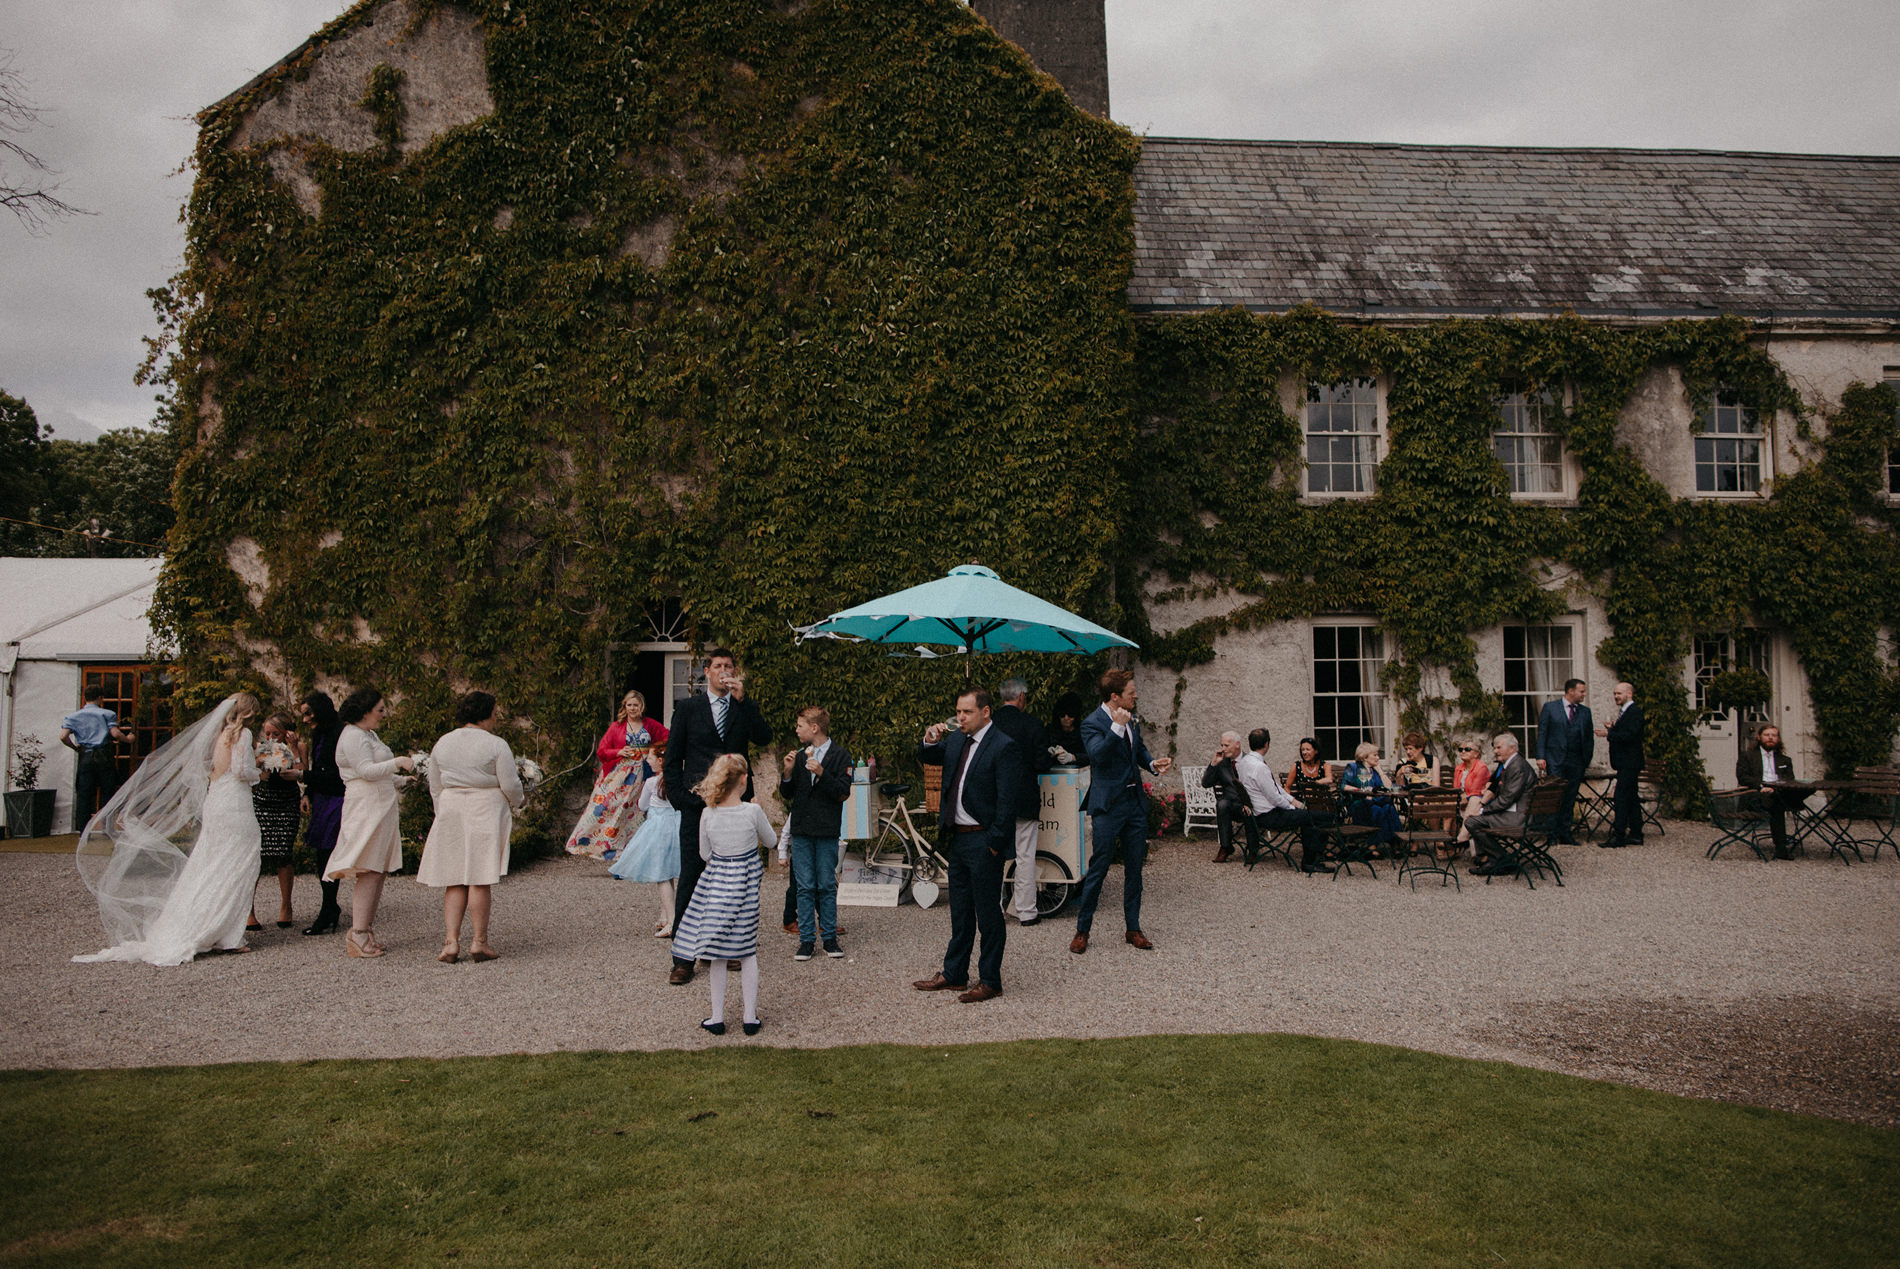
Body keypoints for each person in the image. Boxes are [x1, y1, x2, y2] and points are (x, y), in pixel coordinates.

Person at [74, 694, 264, 965]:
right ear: (249, 713)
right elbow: (241, 770)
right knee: (239, 861)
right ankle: (226, 935)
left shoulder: (221, 734)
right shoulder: (243, 734)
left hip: (216, 799)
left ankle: (214, 927)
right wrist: (261, 770)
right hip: (234, 802)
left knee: (212, 863)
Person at [661, 649, 770, 986]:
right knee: (692, 878)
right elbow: (673, 756)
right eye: (719, 666)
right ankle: (683, 958)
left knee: (731, 882)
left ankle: (721, 948)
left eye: (730, 667)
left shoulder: (741, 706)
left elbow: (764, 738)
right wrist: (680, 798)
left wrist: (744, 701)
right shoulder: (688, 708)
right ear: (706, 672)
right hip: (697, 805)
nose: (725, 671)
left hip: (735, 805)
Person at [913, 687, 1021, 1001]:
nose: (960, 717)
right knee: (959, 911)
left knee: (988, 914)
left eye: (967, 712)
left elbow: (1007, 801)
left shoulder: (1003, 746)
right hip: (957, 838)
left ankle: (990, 980)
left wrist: (994, 842)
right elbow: (929, 755)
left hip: (983, 840)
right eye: (958, 711)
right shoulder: (957, 739)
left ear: (985, 712)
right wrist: (930, 741)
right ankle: (955, 974)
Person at [671, 754, 775, 1036]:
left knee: (716, 953)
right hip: (745, 888)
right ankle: (749, 1017)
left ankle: (717, 1017)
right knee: (746, 951)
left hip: (717, 887)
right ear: (743, 780)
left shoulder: (708, 813)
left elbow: (705, 854)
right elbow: (771, 841)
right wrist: (759, 809)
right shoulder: (752, 812)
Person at [418, 691, 525, 963]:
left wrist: (441, 811)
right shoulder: (496, 744)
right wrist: (519, 802)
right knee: (479, 876)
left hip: (452, 806)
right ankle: (479, 941)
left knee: (454, 877)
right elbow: (510, 784)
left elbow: (435, 784)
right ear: (488, 714)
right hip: (484, 807)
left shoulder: (443, 742)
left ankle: (451, 942)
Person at [1071, 669, 1172, 955]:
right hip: (1108, 806)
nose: (1136, 695)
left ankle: (1133, 928)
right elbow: (1098, 757)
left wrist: (1153, 764)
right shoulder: (1092, 723)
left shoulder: (1132, 720)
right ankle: (1082, 930)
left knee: (1135, 869)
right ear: (1115, 697)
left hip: (1134, 804)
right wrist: (1115, 727)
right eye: (1131, 692)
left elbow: (1137, 750)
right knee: (1099, 867)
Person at [326, 687, 416, 959]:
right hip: (365, 806)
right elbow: (364, 771)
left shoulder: (369, 734)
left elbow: (378, 771)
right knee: (369, 868)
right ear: (365, 711)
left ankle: (365, 927)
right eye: (380, 709)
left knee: (379, 869)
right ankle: (358, 932)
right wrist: (398, 763)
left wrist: (402, 781)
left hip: (381, 804)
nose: (384, 714)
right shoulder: (352, 736)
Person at [778, 706, 852, 960]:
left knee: (827, 885)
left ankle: (830, 938)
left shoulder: (841, 755)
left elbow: (843, 791)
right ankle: (806, 940)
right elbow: (787, 795)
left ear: (814, 727)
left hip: (826, 829)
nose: (796, 730)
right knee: (804, 886)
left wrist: (822, 773)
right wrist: (787, 772)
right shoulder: (798, 757)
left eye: (800, 726)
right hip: (801, 830)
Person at [566, 689, 668, 860]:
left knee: (639, 812)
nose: (633, 708)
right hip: (621, 776)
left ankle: (637, 852)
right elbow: (602, 751)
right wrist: (619, 751)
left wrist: (655, 753)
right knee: (609, 809)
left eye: (636, 705)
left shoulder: (650, 724)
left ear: (641, 706)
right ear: (625, 706)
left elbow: (668, 737)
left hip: (644, 773)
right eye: (629, 705)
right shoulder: (617, 727)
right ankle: (606, 848)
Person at [991, 678, 1054, 924]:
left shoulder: (989, 723)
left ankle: (993, 909)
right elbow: (1042, 764)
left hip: (994, 797)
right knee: (1025, 856)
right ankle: (1026, 911)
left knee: (993, 855)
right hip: (1024, 796)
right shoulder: (1033, 724)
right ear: (1021, 697)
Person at [1237, 728, 1327, 872]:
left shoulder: (1244, 762)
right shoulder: (1259, 767)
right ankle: (1311, 862)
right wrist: (1292, 807)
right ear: (1267, 744)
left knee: (1315, 815)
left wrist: (1293, 800)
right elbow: (1274, 797)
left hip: (1258, 813)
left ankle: (1318, 855)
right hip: (1268, 816)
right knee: (1315, 817)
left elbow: (1275, 787)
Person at [249, 710, 305, 930]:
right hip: (263, 800)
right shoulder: (260, 748)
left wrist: (292, 749)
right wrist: (260, 766)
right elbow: (254, 773)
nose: (270, 738)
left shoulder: (299, 747)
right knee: (257, 856)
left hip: (287, 801)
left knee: (284, 854)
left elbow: (302, 772)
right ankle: (249, 910)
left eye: (276, 733)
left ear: (287, 733)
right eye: (267, 733)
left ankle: (286, 906)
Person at [298, 691, 347, 936]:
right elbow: (318, 767)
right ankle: (329, 906)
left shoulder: (341, 733)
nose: (305, 719)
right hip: (321, 798)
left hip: (338, 799)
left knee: (329, 853)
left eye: (308, 713)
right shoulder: (319, 733)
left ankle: (328, 909)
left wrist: (302, 776)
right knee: (322, 855)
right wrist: (307, 792)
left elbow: (338, 774)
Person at [610, 772, 681, 935]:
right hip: (677, 825)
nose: (649, 760)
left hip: (658, 829)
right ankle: (665, 916)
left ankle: (672, 920)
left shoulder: (651, 782)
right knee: (668, 871)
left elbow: (642, 805)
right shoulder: (680, 777)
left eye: (651, 757)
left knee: (662, 874)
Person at [60, 683, 129, 832]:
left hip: (85, 756)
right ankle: (107, 828)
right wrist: (129, 739)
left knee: (84, 794)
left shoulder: (72, 717)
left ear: (85, 698)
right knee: (107, 792)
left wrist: (75, 747)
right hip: (104, 755)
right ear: (100, 698)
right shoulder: (107, 714)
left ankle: (84, 831)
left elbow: (63, 736)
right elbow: (116, 734)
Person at [1466, 732, 1537, 876]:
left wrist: (1482, 811)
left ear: (1512, 748)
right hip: (1518, 813)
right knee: (1476, 820)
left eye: (1499, 748)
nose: (1495, 751)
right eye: (1495, 748)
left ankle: (1500, 858)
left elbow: (1507, 799)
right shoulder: (1512, 764)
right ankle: (1494, 859)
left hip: (1518, 818)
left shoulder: (1517, 766)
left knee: (1472, 822)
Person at [1536, 678, 1594, 844]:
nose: (1584, 694)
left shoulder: (1585, 712)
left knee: (1570, 798)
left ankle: (1565, 833)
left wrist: (1586, 760)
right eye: (1581, 691)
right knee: (1554, 796)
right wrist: (1540, 756)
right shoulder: (1550, 708)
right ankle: (1551, 834)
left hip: (1576, 761)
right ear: (1570, 691)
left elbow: (1589, 739)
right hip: (1555, 759)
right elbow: (1542, 733)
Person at [1737, 724, 1801, 858]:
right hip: (1755, 795)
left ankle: (1781, 845)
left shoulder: (1785, 760)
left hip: (1778, 793)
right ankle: (1781, 849)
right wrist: (1761, 786)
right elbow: (1743, 777)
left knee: (1784, 798)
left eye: (1774, 735)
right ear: (1759, 737)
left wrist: (1776, 788)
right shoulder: (1747, 756)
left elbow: (1790, 779)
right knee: (1776, 804)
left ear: (1778, 739)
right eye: (1767, 735)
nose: (1770, 738)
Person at [1596, 682, 1646, 849]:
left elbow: (1630, 735)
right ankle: (1636, 834)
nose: (1616, 696)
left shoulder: (1635, 712)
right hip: (1626, 762)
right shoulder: (1626, 712)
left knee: (1621, 797)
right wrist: (1613, 728)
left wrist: (1609, 733)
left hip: (1630, 763)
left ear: (1629, 694)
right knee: (1631, 798)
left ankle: (1619, 836)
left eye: (1619, 693)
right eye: (1614, 693)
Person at [1201, 732, 1253, 864]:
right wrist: (1213, 764)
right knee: (1222, 804)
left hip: (1251, 804)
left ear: (1237, 744)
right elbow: (1206, 783)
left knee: (1250, 809)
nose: (1223, 748)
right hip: (1232, 805)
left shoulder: (1251, 760)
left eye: (1226, 745)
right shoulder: (1221, 762)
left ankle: (1253, 848)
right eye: (1222, 745)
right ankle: (1225, 847)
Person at [1339, 742, 1401, 850]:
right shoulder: (1353, 767)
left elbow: (1389, 787)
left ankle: (1386, 842)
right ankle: (1383, 844)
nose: (1378, 758)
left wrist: (1380, 771)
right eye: (1375, 755)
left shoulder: (1375, 770)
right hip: (1359, 803)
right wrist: (1360, 790)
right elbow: (1343, 786)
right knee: (1377, 810)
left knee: (1389, 808)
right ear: (1364, 757)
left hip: (1377, 802)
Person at [1448, 740, 1492, 853]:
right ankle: (1445, 841)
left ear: (1476, 754)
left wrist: (1463, 796)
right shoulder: (1459, 768)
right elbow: (1456, 788)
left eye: (1467, 749)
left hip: (1479, 801)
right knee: (1447, 805)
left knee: (1473, 799)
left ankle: (1462, 837)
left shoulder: (1481, 768)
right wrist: (1460, 796)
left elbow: (1476, 790)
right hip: (1463, 798)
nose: (1463, 751)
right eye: (1460, 749)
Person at [1285, 738, 1336, 805]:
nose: (1304, 752)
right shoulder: (1296, 766)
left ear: (1316, 751)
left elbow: (1329, 779)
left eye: (1307, 749)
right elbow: (1287, 787)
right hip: (1303, 802)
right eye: (1303, 750)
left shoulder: (1325, 765)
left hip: (1321, 802)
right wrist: (1291, 802)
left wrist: (1312, 785)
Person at [1045, 692, 1089, 767]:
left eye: (1070, 714)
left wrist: (1073, 757)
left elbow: (1091, 756)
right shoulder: (1049, 730)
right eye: (1062, 714)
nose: (1066, 718)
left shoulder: (1084, 731)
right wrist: (1048, 752)